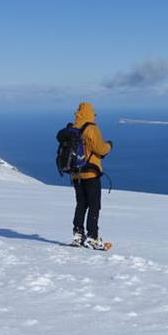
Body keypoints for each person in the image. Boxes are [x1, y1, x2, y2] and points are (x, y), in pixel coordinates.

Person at [69, 102, 112, 247]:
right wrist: (109, 146)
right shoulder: (91, 128)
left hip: (76, 174)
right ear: (90, 113)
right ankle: (92, 236)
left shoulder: (73, 128)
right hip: (90, 173)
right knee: (94, 205)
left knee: (81, 204)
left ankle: (78, 235)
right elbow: (100, 149)